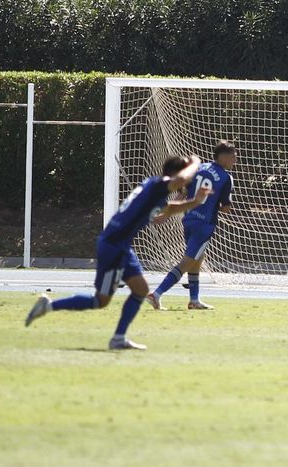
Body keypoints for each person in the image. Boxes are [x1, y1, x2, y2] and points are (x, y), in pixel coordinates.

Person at [25, 155, 212, 350]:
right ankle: (49, 306)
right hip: (114, 245)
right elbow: (181, 181)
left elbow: (170, 207)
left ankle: (119, 338)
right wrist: (195, 162)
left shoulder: (153, 187)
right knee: (100, 300)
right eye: (187, 173)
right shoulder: (161, 184)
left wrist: (196, 201)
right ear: (176, 172)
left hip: (122, 246)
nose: (190, 179)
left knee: (139, 290)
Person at [148, 140, 237, 311]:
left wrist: (166, 214)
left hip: (188, 220)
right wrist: (210, 204)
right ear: (223, 157)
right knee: (187, 262)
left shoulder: (199, 169)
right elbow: (226, 208)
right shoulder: (226, 178)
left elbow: (182, 193)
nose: (235, 160)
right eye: (233, 156)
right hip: (204, 224)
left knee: (198, 258)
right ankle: (156, 294)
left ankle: (194, 300)